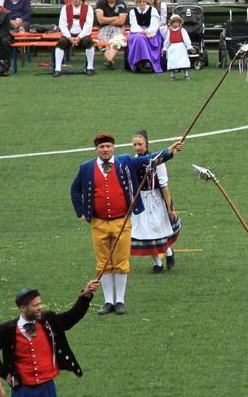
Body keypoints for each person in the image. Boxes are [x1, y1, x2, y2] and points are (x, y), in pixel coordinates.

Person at [70, 134, 185, 314]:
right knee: (103, 263)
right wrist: (81, 212)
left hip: (121, 222)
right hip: (98, 223)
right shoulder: (86, 168)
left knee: (121, 262)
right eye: (102, 147)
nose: (105, 150)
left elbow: (149, 159)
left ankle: (120, 301)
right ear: (96, 149)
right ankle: (108, 301)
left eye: (108, 146)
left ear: (113, 147)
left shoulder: (125, 161)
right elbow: (75, 190)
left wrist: (169, 150)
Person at [129, 129, 181, 271]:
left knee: (159, 230)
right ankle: (157, 263)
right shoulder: (133, 161)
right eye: (135, 145)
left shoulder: (158, 163)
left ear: (146, 144)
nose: (137, 147)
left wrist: (170, 208)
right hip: (140, 201)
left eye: (140, 144)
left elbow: (164, 186)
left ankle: (169, 252)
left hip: (155, 198)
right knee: (146, 234)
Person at [54, 0, 96, 76]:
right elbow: (62, 25)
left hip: (83, 34)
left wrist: (79, 37)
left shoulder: (89, 8)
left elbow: (88, 26)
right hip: (69, 34)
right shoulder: (65, 8)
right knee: (61, 43)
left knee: (88, 42)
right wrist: (69, 37)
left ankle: (90, 67)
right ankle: (57, 69)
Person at [127, 0, 162, 73]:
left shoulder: (152, 10)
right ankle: (142, 61)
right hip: (136, 31)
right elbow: (134, 24)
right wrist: (142, 31)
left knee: (142, 38)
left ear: (146, 2)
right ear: (137, 3)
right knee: (139, 37)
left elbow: (155, 23)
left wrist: (148, 31)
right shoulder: (133, 11)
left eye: (143, 1)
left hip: (151, 31)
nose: (142, 3)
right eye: (139, 2)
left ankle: (145, 61)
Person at [161, 14, 194, 81]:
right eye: (174, 22)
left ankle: (186, 74)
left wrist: (189, 47)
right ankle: (172, 75)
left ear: (179, 23)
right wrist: (164, 48)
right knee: (172, 61)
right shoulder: (169, 31)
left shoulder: (182, 30)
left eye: (177, 22)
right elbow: (167, 40)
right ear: (171, 23)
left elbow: (186, 39)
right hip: (173, 48)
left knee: (183, 60)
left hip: (181, 47)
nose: (175, 24)